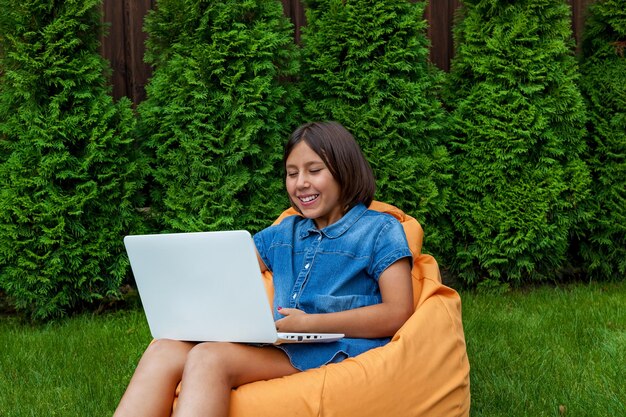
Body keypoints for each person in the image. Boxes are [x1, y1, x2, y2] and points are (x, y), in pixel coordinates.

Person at [113, 121, 414, 417]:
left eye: (314, 170)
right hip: (282, 343)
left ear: (344, 171)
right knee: (163, 349)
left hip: (337, 350)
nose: (301, 183)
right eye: (292, 173)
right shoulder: (284, 233)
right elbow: (222, 270)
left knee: (209, 358)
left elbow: (397, 312)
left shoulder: (380, 229)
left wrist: (311, 324)